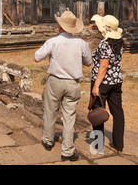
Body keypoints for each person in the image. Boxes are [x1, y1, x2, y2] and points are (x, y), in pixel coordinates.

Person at [34, 11, 92, 162]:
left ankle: (48, 140)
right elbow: (88, 62)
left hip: (55, 81)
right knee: (69, 117)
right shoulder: (81, 43)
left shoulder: (53, 42)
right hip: (73, 83)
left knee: (50, 112)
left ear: (60, 26)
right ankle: (67, 151)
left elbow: (36, 57)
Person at [90, 14, 125, 152]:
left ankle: (97, 146)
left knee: (97, 112)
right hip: (116, 81)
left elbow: (104, 66)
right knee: (118, 112)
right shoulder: (119, 42)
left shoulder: (105, 44)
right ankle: (119, 144)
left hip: (103, 82)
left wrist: (96, 85)